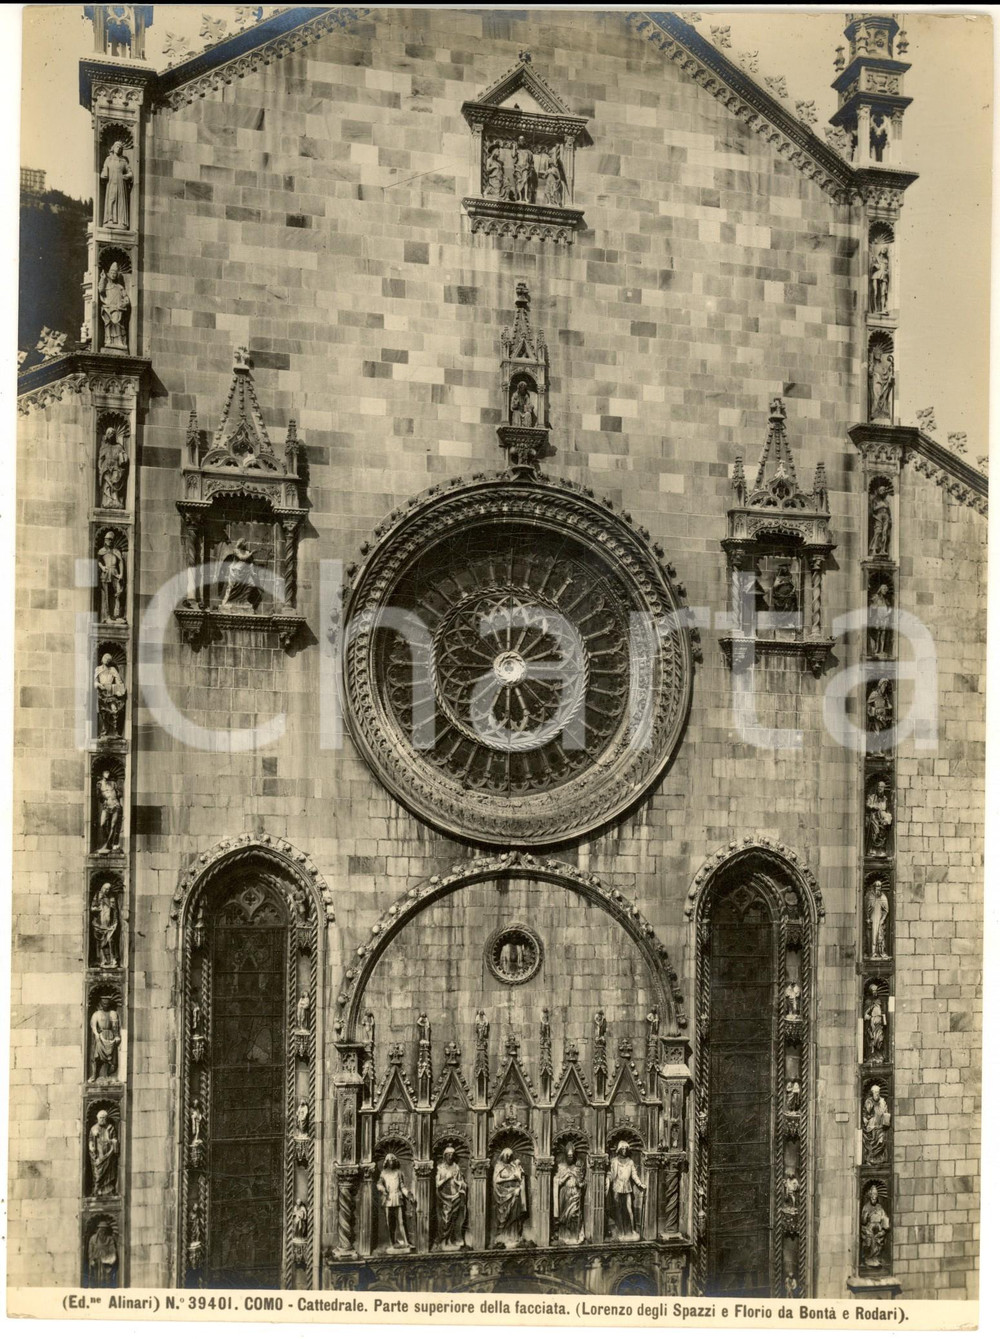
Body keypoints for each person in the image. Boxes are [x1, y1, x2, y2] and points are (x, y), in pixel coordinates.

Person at [605, 1141, 646, 1241]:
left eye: (625, 1149)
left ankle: (631, 1230)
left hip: (627, 1188)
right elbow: (610, 1174)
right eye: (622, 1149)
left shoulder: (630, 1161)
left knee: (629, 1209)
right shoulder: (614, 1161)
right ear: (619, 1149)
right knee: (618, 1210)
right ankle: (620, 1231)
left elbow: (634, 1174)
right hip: (616, 1188)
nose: (624, 1150)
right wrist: (607, 1182)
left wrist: (640, 1184)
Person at [492, 1146, 527, 1246]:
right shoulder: (498, 1166)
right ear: (502, 1155)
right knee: (504, 1216)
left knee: (514, 1214)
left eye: (510, 1156)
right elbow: (496, 1180)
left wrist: (520, 1174)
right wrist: (510, 1178)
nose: (508, 1158)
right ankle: (502, 1236)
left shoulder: (512, 1166)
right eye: (506, 1156)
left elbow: (519, 1179)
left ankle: (514, 1236)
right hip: (502, 1196)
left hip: (514, 1193)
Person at [377, 1154, 413, 1249]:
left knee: (401, 1221)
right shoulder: (384, 1173)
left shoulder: (398, 1172)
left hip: (397, 1197)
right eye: (389, 1161)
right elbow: (379, 1184)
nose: (391, 1162)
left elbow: (402, 1186)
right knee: (389, 1222)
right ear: (387, 1162)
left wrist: (408, 1194)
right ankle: (391, 1242)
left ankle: (406, 1241)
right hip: (388, 1198)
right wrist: (383, 1190)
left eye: (393, 1160)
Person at [435, 1146, 468, 1249]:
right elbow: (437, 1184)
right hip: (444, 1197)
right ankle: (443, 1240)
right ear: (444, 1156)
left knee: (455, 1219)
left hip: (456, 1196)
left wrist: (460, 1183)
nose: (450, 1156)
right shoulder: (440, 1168)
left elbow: (462, 1182)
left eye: (452, 1155)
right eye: (448, 1154)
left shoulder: (456, 1167)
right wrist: (447, 1178)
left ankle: (452, 1239)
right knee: (445, 1220)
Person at [552, 1143, 585, 1244]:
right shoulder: (561, 1166)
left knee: (574, 1214)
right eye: (568, 1155)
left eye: (572, 1156)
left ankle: (574, 1236)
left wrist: (577, 1179)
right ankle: (564, 1235)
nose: (570, 1158)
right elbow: (557, 1181)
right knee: (564, 1216)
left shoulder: (577, 1167)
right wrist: (566, 1176)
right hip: (564, 1193)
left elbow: (581, 1183)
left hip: (575, 1194)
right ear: (566, 1155)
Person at [101, 141, 133, 229]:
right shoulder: (108, 159)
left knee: (121, 202)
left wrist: (126, 176)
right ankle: (110, 219)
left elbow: (130, 173)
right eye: (117, 146)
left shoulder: (123, 161)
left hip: (121, 184)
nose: (118, 148)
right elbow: (104, 170)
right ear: (113, 148)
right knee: (111, 200)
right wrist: (104, 174)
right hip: (111, 182)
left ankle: (121, 221)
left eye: (120, 147)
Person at [98, 262, 130, 352]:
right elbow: (101, 290)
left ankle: (120, 342)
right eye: (112, 273)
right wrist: (102, 278)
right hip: (108, 308)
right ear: (108, 274)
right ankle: (109, 341)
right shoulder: (106, 285)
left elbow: (126, 297)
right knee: (109, 325)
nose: (113, 275)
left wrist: (125, 302)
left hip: (118, 309)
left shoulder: (120, 287)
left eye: (115, 273)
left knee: (118, 324)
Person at [89, 995, 121, 1081]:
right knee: (96, 1057)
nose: (105, 1005)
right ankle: (94, 1075)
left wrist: (117, 1036)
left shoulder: (113, 1013)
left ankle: (108, 1075)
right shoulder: (96, 1014)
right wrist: (96, 1034)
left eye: (107, 1004)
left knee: (111, 1059)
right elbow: (93, 1025)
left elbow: (115, 1026)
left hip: (110, 1036)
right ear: (101, 1003)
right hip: (100, 1036)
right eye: (104, 1003)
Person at [95, 653, 126, 738]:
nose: (107, 660)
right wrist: (99, 685)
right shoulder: (98, 669)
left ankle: (115, 731)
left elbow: (119, 681)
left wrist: (119, 690)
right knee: (103, 713)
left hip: (111, 693)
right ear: (102, 660)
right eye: (105, 659)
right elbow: (95, 682)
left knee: (114, 710)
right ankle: (104, 731)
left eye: (108, 659)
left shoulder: (112, 669)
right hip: (102, 694)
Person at [97, 532, 126, 623]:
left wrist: (121, 574)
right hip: (106, 574)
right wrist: (102, 567)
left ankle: (116, 615)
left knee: (117, 593)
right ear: (105, 540)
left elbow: (120, 562)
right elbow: (98, 561)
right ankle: (107, 616)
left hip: (114, 573)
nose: (109, 541)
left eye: (111, 539)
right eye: (108, 539)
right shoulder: (101, 551)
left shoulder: (116, 551)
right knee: (106, 595)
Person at [89, 1110, 119, 1197]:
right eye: (100, 1118)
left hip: (109, 1154)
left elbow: (115, 1138)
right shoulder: (93, 1128)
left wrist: (113, 1141)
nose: (102, 1120)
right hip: (99, 1154)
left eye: (104, 1118)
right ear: (97, 1118)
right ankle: (97, 1190)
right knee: (97, 1172)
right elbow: (90, 1140)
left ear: (106, 1118)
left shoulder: (110, 1127)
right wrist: (91, 1146)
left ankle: (108, 1191)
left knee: (108, 1174)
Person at [98, 427, 129, 508]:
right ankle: (107, 501)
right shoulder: (104, 447)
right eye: (109, 434)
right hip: (106, 468)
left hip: (116, 467)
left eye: (112, 434)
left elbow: (123, 456)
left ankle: (115, 500)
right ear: (107, 435)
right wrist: (100, 468)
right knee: (107, 485)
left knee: (115, 482)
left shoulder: (119, 447)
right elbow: (101, 459)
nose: (111, 435)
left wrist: (124, 457)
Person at [861, 1184, 890, 1268]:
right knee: (869, 1241)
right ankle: (868, 1259)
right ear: (870, 1195)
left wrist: (885, 1225)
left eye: (875, 1195)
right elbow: (863, 1221)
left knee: (878, 1242)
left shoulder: (879, 1206)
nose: (874, 1197)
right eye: (872, 1195)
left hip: (878, 1227)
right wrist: (866, 1215)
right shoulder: (866, 1207)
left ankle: (876, 1258)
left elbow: (884, 1216)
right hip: (869, 1228)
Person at [221, 538, 257, 607]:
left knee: (251, 584)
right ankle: (226, 602)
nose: (245, 544)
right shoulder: (236, 551)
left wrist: (253, 572)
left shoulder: (247, 552)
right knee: (232, 587)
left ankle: (244, 600)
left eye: (246, 542)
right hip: (236, 571)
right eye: (244, 542)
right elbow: (242, 558)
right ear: (241, 543)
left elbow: (251, 563)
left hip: (245, 572)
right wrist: (251, 553)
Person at [91, 883, 119, 968]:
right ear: (102, 888)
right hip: (99, 923)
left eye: (108, 889)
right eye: (105, 889)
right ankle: (101, 960)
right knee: (100, 942)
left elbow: (115, 911)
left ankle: (112, 960)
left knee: (111, 941)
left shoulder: (111, 898)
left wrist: (115, 922)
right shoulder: (97, 896)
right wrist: (96, 909)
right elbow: (92, 908)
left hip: (109, 925)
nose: (107, 891)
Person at [862, 1084, 891, 1164]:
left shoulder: (882, 1101)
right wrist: (865, 1118)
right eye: (875, 1092)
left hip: (880, 1126)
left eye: (878, 1092)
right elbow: (865, 1112)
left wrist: (886, 1118)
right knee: (871, 1143)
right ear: (872, 1093)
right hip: (871, 1126)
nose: (877, 1094)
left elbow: (886, 1112)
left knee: (881, 1142)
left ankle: (879, 1160)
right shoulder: (869, 1101)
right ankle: (870, 1159)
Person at [96, 771, 123, 853]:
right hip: (106, 806)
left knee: (113, 825)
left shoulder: (113, 783)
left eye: (108, 773)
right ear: (102, 774)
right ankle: (107, 841)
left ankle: (110, 844)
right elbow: (98, 795)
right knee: (102, 823)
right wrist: (104, 797)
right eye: (106, 773)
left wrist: (117, 793)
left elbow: (119, 793)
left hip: (115, 805)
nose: (108, 774)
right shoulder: (99, 783)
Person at [865, 779, 893, 856]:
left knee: (883, 831)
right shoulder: (872, 797)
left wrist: (887, 818)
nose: (880, 788)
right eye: (879, 787)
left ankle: (881, 850)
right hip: (874, 815)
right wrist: (874, 806)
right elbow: (867, 805)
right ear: (876, 788)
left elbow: (887, 809)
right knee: (875, 830)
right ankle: (873, 849)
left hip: (882, 816)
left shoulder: (885, 799)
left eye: (882, 787)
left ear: (884, 788)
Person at [868, 583, 892, 657]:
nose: (885, 591)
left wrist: (888, 613)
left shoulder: (886, 599)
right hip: (878, 617)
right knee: (878, 634)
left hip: (885, 618)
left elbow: (890, 607)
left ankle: (882, 650)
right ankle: (876, 649)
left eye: (886, 589)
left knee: (883, 634)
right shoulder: (876, 597)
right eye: (884, 589)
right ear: (880, 590)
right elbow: (872, 606)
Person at [867, 880, 889, 958]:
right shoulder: (871, 896)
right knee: (872, 935)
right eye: (876, 887)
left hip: (879, 918)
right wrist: (868, 918)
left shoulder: (883, 897)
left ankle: (881, 951)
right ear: (874, 888)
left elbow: (886, 910)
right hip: (873, 918)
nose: (878, 889)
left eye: (879, 887)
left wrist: (882, 919)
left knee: (880, 935)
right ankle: (872, 952)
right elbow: (867, 908)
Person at [864, 985, 887, 1063]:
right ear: (870, 992)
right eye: (873, 991)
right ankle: (871, 1057)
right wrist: (870, 1017)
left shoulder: (880, 1002)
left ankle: (879, 1056)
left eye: (876, 990)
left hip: (879, 1026)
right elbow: (865, 1014)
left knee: (880, 1040)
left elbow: (883, 1012)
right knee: (872, 1041)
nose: (875, 992)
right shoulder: (868, 1002)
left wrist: (883, 1019)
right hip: (871, 1026)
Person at [869, 484, 892, 556]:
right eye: (882, 490)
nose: (883, 491)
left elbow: (889, 511)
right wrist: (881, 505)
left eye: (884, 490)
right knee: (878, 532)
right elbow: (873, 509)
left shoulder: (886, 501)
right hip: (878, 516)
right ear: (879, 491)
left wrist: (889, 518)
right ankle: (874, 549)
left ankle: (882, 550)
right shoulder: (875, 500)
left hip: (886, 516)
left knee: (884, 533)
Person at [869, 242, 890, 314]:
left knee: (883, 292)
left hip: (884, 276)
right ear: (880, 248)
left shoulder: (887, 259)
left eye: (886, 249)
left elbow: (887, 269)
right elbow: (872, 267)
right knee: (875, 292)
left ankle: (883, 308)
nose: (884, 250)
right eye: (883, 248)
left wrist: (886, 271)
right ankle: (874, 309)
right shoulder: (876, 258)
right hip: (876, 275)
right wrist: (875, 265)